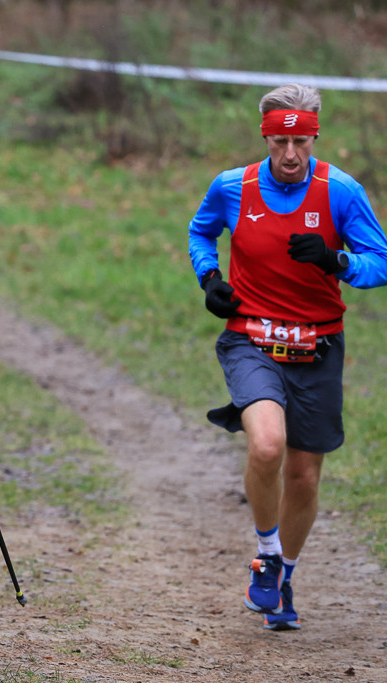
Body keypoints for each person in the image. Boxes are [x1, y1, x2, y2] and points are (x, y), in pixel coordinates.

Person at [188, 83, 387, 632]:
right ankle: (267, 553)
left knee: (303, 473)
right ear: (266, 137)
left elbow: (380, 262)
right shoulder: (234, 186)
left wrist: (335, 259)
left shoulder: (341, 191)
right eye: (279, 141)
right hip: (251, 338)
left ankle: (285, 576)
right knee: (268, 444)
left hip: (318, 345)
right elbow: (201, 231)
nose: (290, 154)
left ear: (314, 135)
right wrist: (209, 278)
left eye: (300, 141)